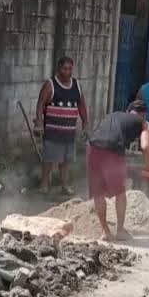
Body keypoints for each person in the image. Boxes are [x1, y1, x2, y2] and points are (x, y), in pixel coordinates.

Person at [86, 100, 149, 241]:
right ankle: (120, 230)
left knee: (98, 192)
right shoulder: (145, 124)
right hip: (113, 149)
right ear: (144, 116)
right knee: (120, 192)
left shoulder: (114, 115)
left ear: (127, 111)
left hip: (92, 147)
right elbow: (145, 146)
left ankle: (105, 231)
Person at [34, 56, 88, 195]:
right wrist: (39, 123)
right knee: (49, 159)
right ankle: (44, 184)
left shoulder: (76, 85)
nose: (68, 72)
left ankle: (65, 185)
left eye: (70, 69)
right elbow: (40, 104)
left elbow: (81, 105)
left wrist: (85, 123)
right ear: (59, 69)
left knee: (66, 160)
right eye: (65, 68)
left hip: (69, 131)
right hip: (53, 130)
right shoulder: (50, 85)